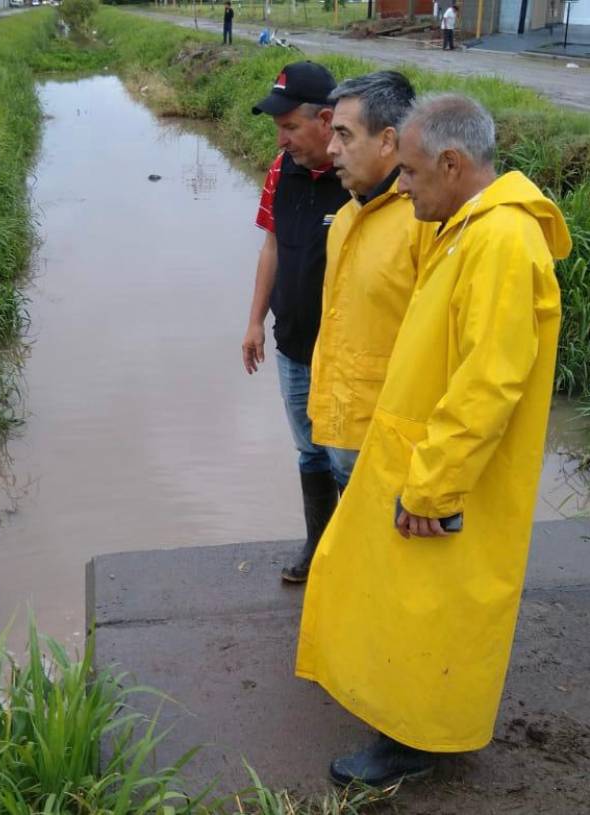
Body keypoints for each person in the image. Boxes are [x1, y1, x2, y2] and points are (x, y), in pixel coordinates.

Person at [296, 94, 571, 787]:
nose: (405, 185)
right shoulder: (467, 225)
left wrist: (433, 484)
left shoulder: (503, 242)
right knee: (412, 602)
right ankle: (412, 724)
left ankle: (413, 742)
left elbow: (488, 382)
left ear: (452, 164)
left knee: (429, 610)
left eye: (412, 173)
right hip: (423, 456)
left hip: (448, 474)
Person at [307, 71, 431, 585]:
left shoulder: (423, 223)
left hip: (390, 447)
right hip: (341, 429)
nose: (330, 147)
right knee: (360, 564)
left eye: (344, 135)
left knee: (394, 572)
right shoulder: (348, 218)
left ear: (388, 141)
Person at [243, 62, 350, 583]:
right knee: (309, 450)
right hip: (292, 345)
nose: (282, 140)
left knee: (348, 459)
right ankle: (318, 548)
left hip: (348, 353)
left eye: (290, 127)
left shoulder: (363, 177)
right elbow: (271, 247)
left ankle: (356, 560)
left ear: (326, 120)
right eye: (278, 129)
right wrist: (254, 322)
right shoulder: (278, 170)